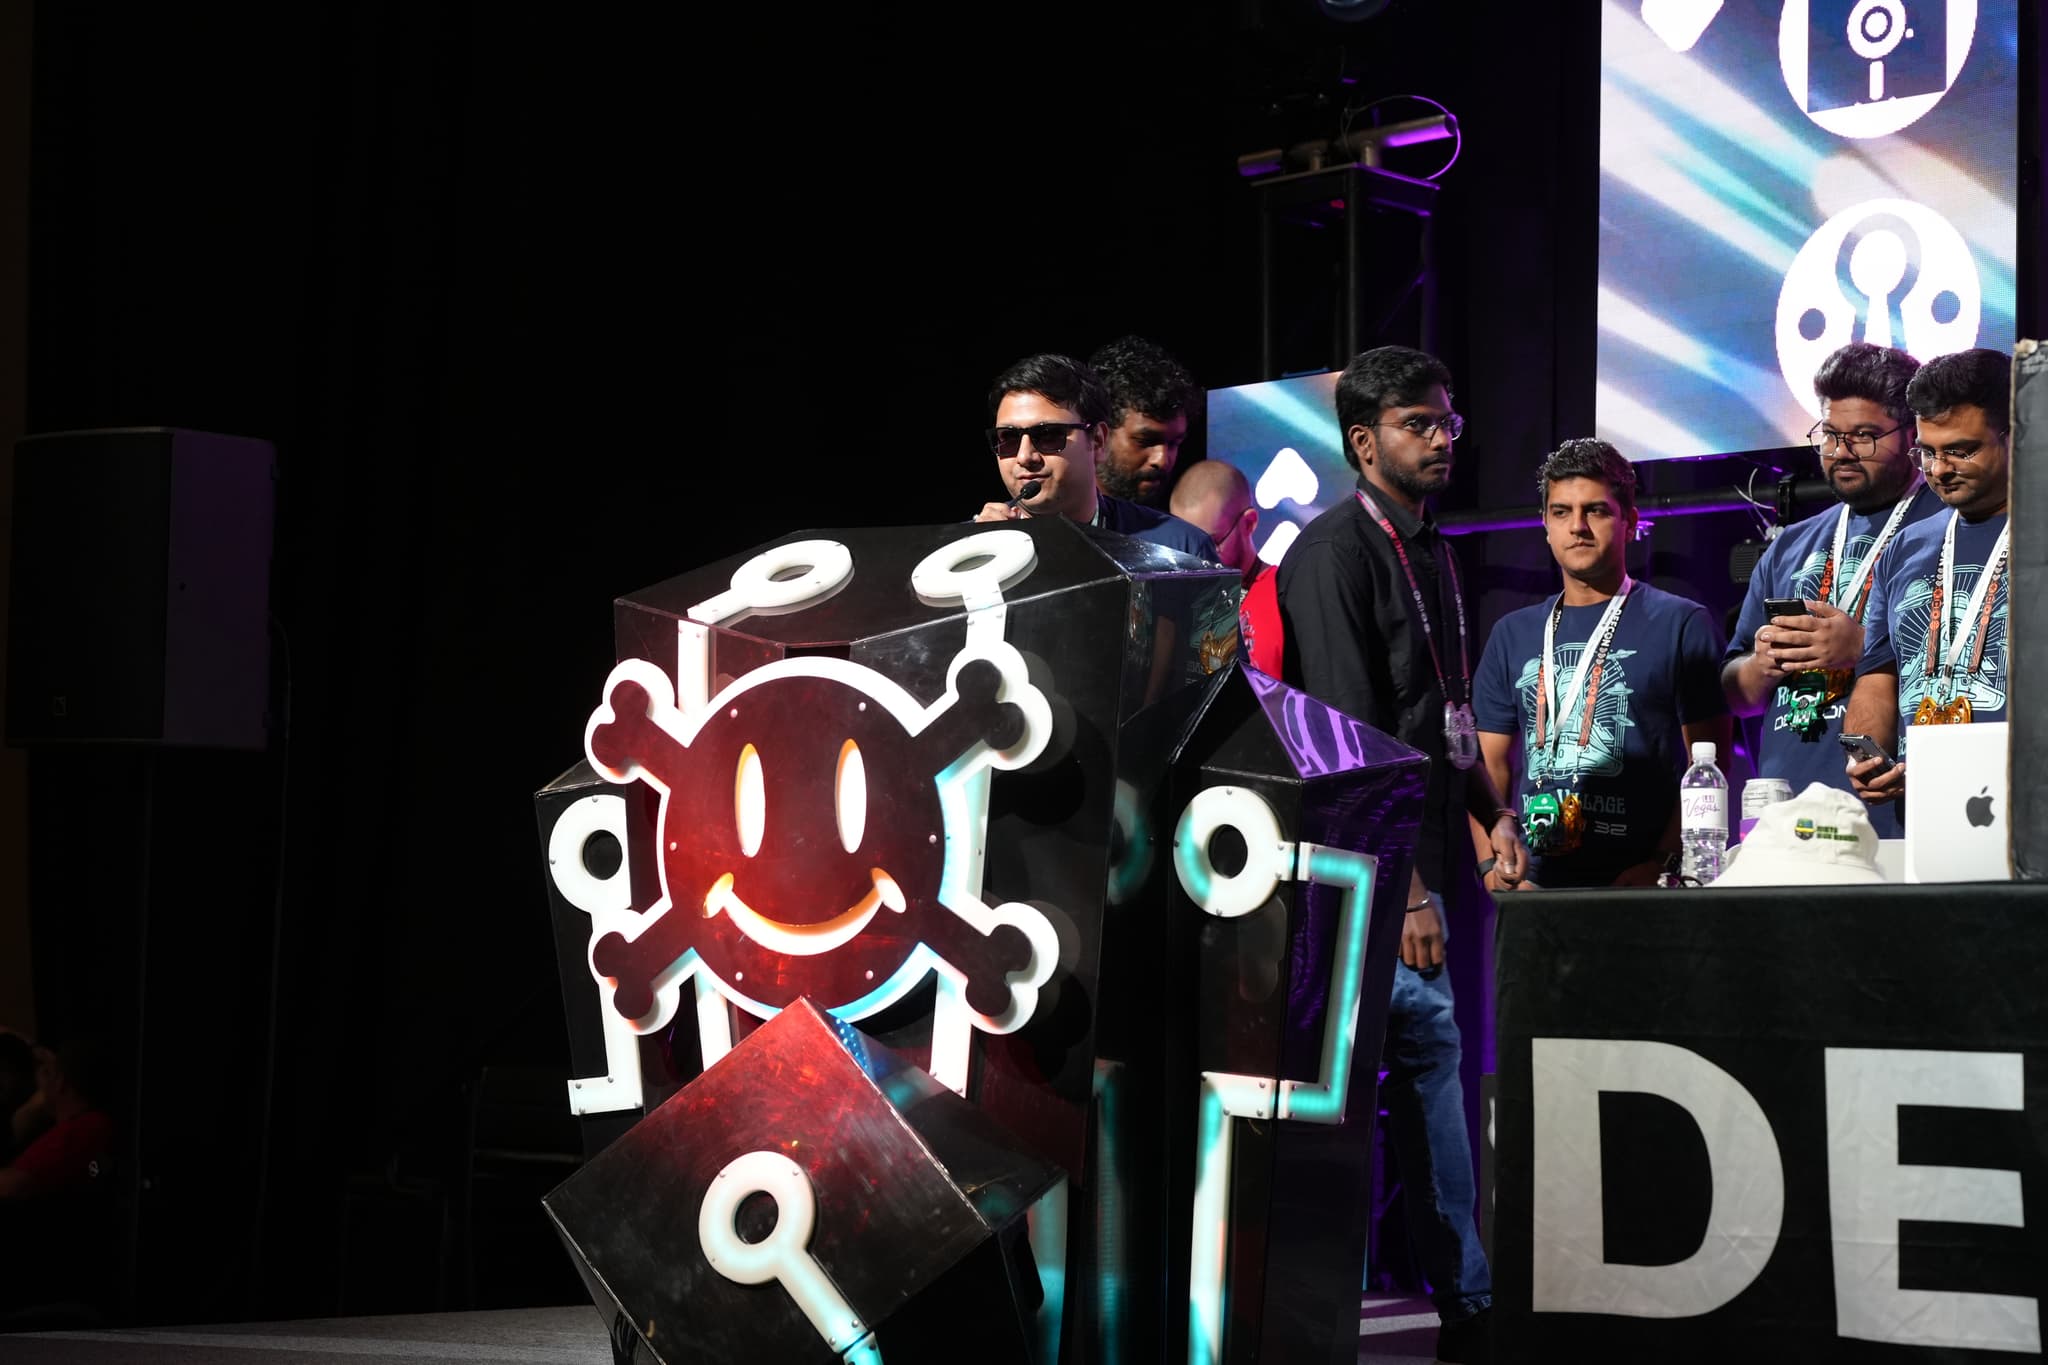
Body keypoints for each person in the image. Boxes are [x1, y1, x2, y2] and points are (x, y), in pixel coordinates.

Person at [1275, 344, 1525, 1363]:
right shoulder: (1331, 553)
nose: (1440, 440)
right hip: (1367, 871)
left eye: (1445, 422)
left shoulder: (1430, 548)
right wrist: (1409, 887)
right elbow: (1344, 735)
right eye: (1418, 424)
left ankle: (1458, 1302)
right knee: (1405, 1074)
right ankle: (1455, 1305)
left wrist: (1489, 813)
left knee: (1432, 1073)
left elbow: (1441, 714)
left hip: (1422, 857)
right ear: (1360, 441)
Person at [1472, 440, 1732, 888]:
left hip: (1637, 888)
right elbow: (1486, 766)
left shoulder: (1680, 623)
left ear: (1630, 522)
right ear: (1545, 524)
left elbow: (1711, 766)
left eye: (1596, 511)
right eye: (1561, 512)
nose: (1578, 527)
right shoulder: (1511, 634)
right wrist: (1488, 868)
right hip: (1535, 887)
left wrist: (1662, 864)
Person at [1722, 343, 1937, 837]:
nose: (1841, 452)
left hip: (1891, 813)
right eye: (1831, 435)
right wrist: (1761, 665)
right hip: (1785, 815)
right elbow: (1739, 696)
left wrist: (1861, 648)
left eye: (1863, 436)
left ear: (1912, 435)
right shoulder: (1791, 544)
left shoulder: (1942, 524)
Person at [1845, 348, 2013, 806]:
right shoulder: (1906, 546)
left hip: (2024, 806)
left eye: (1961, 450)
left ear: (2015, 435)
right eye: (1927, 452)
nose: (1939, 470)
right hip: (1925, 807)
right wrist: (1867, 755)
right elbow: (1878, 673)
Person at [973, 353, 1218, 561]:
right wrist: (977, 559)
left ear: (1098, 441)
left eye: (1048, 435)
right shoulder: (963, 552)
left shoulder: (1180, 549)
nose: (1025, 456)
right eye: (1009, 438)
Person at [1087, 335, 1197, 507]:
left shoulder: (1179, 532)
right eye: (1145, 441)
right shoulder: (1045, 522)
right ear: (1099, 436)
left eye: (1174, 443)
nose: (1162, 460)